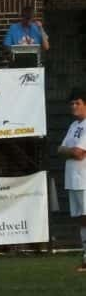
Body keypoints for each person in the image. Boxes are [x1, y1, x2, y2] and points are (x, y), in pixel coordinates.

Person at [57, 88, 86, 272]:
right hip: (74, 180)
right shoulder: (74, 126)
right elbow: (60, 149)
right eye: (71, 103)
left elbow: (78, 152)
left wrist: (68, 150)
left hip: (84, 179)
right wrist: (69, 151)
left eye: (77, 103)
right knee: (82, 220)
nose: (73, 106)